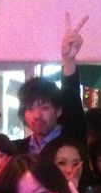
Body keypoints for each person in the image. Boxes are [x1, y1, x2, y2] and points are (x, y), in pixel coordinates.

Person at [13, 14, 88, 154]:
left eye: (45, 108)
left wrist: (68, 61)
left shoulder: (72, 139)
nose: (37, 115)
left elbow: (71, 94)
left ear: (58, 111)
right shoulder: (17, 150)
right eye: (30, 108)